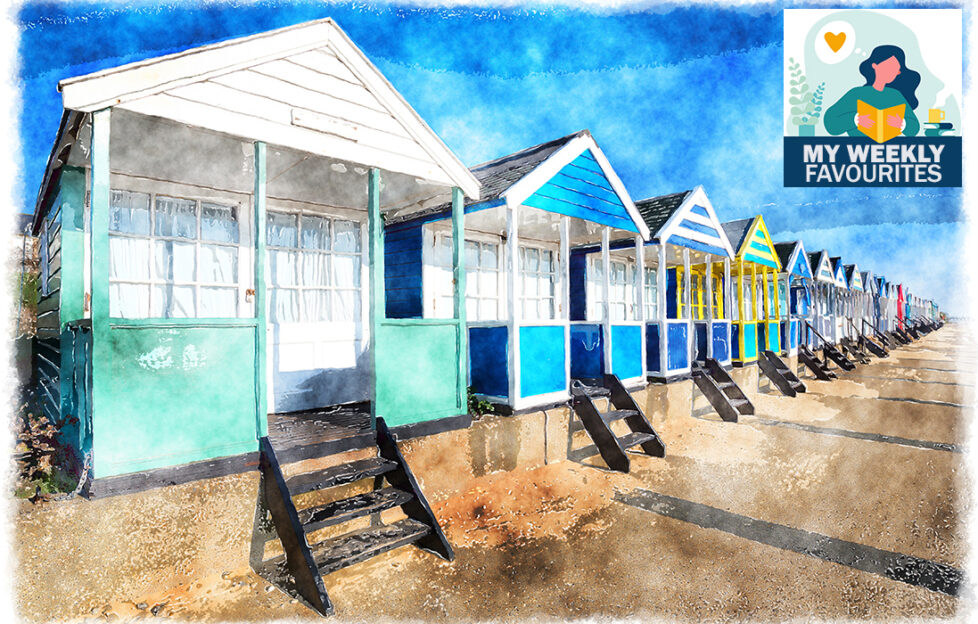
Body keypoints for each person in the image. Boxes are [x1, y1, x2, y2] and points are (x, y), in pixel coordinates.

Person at [823, 45, 920, 137]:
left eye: (896, 69)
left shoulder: (895, 96)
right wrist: (855, 119)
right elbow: (830, 123)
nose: (892, 72)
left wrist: (902, 124)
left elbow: (914, 127)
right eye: (889, 66)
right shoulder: (857, 94)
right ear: (875, 65)